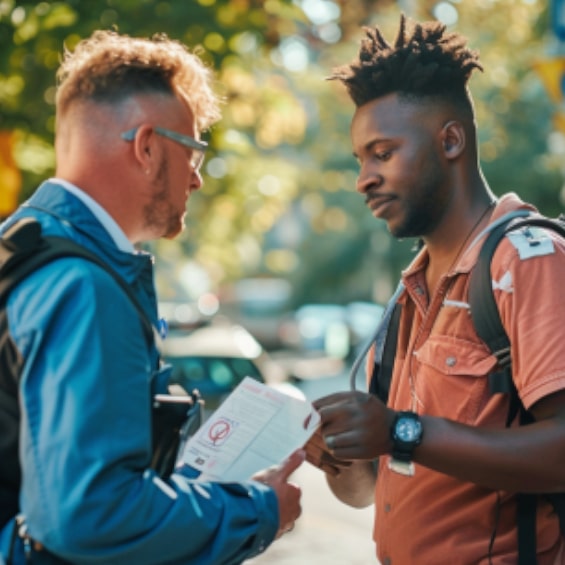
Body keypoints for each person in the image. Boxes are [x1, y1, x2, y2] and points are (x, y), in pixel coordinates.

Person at [0, 30, 305, 565]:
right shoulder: (84, 288)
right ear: (146, 146)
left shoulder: (21, 248)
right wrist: (259, 509)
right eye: (194, 152)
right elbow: (88, 517)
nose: (196, 180)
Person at [310, 14, 565, 564]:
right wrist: (336, 451)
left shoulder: (527, 262)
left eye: (383, 152)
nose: (363, 179)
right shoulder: (407, 297)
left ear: (451, 140)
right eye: (360, 160)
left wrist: (401, 430)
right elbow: (367, 489)